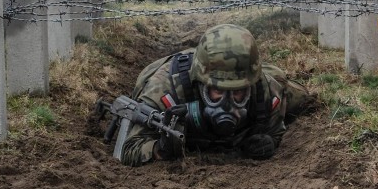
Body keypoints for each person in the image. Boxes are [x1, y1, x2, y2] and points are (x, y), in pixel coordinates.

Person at [119, 23, 311, 166]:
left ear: (250, 85)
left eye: (237, 93)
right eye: (218, 91)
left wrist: (268, 141)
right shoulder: (165, 91)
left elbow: (277, 129)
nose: (227, 104)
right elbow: (128, 149)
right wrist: (159, 149)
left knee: (302, 98)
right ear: (201, 84)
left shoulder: (267, 90)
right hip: (168, 73)